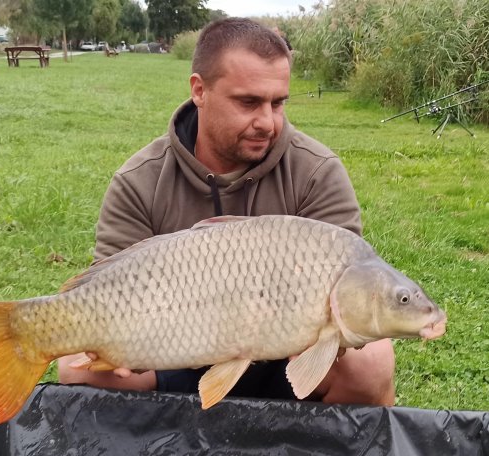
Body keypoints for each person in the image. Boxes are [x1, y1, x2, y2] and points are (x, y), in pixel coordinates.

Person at [58, 18, 395, 406]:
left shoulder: (316, 172)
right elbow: (110, 290)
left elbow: (348, 291)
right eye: (248, 102)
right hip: (171, 345)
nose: (267, 122)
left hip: (287, 353)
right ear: (199, 90)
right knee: (74, 366)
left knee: (371, 362)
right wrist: (113, 342)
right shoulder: (139, 181)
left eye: (278, 102)